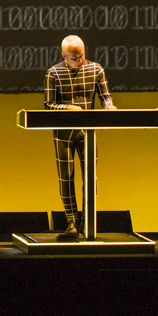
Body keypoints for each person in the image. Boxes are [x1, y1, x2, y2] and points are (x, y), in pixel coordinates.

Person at [43, 35, 117, 239]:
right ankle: (71, 222)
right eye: (74, 57)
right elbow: (48, 105)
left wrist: (109, 106)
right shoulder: (53, 73)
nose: (79, 60)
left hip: (87, 132)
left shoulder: (96, 69)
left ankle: (87, 220)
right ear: (63, 55)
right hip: (63, 133)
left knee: (90, 178)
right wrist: (66, 106)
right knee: (66, 177)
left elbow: (105, 96)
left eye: (81, 55)